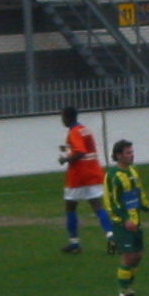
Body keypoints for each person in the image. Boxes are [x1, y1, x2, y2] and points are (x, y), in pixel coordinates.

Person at [103, 139, 149, 296]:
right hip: (122, 223)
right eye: (128, 152)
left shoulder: (133, 171)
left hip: (135, 222)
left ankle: (128, 288)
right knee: (128, 256)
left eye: (132, 152)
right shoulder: (112, 176)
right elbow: (111, 202)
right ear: (118, 155)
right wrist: (124, 220)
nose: (132, 155)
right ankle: (124, 294)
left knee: (138, 255)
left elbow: (139, 195)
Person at [59, 106, 115, 255]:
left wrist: (65, 158)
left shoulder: (74, 131)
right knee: (98, 207)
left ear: (67, 117)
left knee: (70, 208)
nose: (62, 120)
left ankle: (74, 243)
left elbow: (80, 151)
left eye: (62, 117)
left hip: (79, 175)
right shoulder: (85, 129)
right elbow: (84, 149)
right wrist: (67, 149)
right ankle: (111, 236)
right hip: (93, 172)